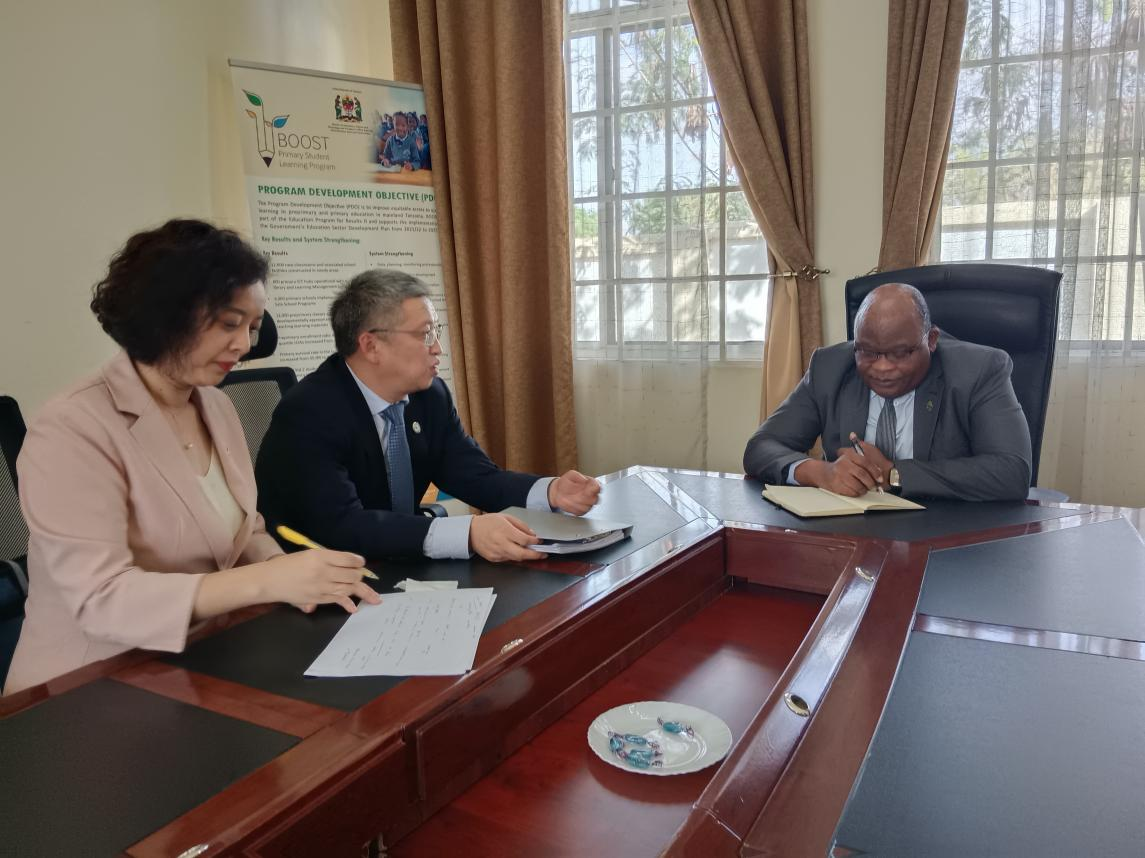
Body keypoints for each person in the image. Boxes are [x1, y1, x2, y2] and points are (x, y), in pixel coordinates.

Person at [3, 220, 379, 695]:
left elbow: (245, 530)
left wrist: (299, 578)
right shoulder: (72, 427)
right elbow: (101, 598)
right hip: (89, 684)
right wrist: (268, 580)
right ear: (164, 314)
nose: (245, 345)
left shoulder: (217, 405)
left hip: (203, 657)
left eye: (253, 327)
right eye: (230, 324)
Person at [255, 269, 601, 563]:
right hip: (322, 579)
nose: (438, 348)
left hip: (401, 561)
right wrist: (467, 532)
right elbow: (342, 526)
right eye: (425, 334)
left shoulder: (429, 396)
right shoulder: (309, 412)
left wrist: (550, 491)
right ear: (371, 346)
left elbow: (474, 475)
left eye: (437, 331)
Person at [743, 282, 1032, 501]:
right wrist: (820, 473)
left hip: (946, 535)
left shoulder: (979, 370)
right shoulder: (829, 368)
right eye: (867, 352)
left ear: (931, 340)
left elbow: (1012, 471)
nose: (882, 367)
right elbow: (761, 447)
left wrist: (894, 474)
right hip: (850, 531)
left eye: (900, 353)